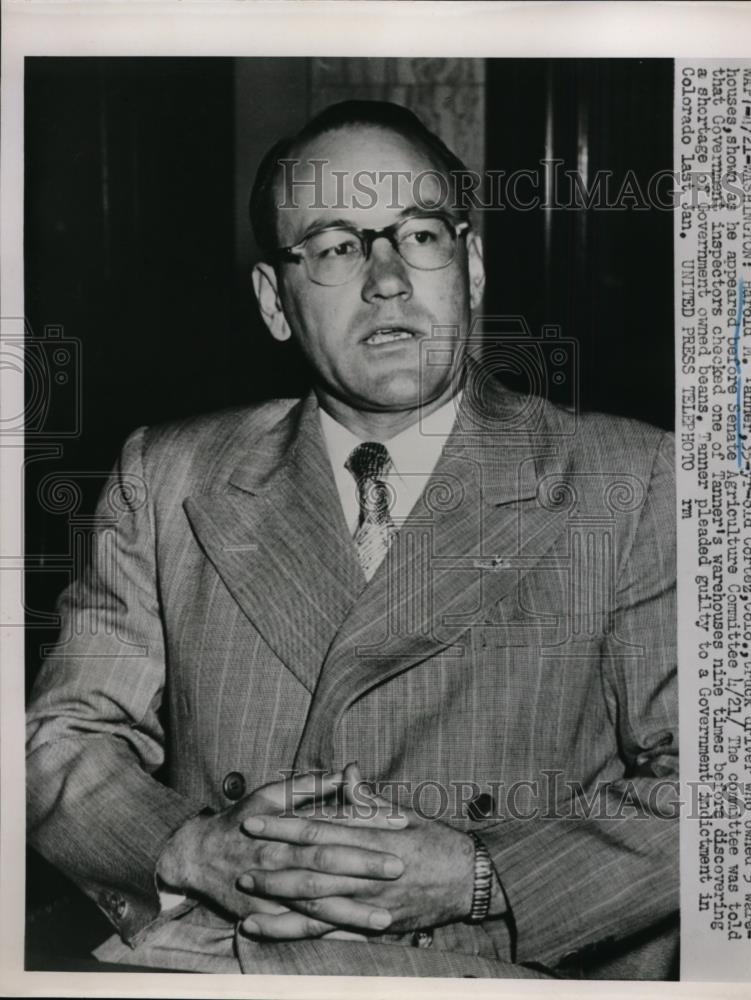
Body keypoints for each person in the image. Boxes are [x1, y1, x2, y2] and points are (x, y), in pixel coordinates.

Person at [26, 100, 679, 979]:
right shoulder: (169, 476)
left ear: (472, 267)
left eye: (419, 235)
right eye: (336, 246)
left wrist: (483, 879)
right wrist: (190, 850)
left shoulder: (630, 480)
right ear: (274, 302)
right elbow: (62, 737)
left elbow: (724, 794)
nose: (387, 280)